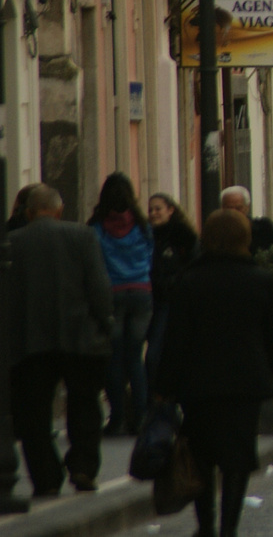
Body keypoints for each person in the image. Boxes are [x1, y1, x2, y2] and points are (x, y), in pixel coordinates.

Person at [155, 209, 273, 537]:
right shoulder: (259, 279)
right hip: (244, 384)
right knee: (238, 456)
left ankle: (206, 526)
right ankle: (229, 527)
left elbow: (175, 339)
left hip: (198, 385)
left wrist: (164, 385)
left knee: (201, 457)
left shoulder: (189, 280)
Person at [7, 185, 113, 496]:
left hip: (30, 340)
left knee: (33, 414)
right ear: (59, 210)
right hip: (79, 336)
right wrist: (105, 324)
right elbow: (98, 284)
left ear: (27, 213)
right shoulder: (81, 236)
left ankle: (46, 477)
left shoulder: (12, 242)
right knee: (84, 404)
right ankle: (83, 465)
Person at [88, 172, 154, 437]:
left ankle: (116, 419)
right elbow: (152, 254)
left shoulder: (97, 227)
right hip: (141, 292)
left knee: (114, 357)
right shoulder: (142, 225)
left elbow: (92, 261)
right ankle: (140, 417)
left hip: (111, 293)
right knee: (135, 357)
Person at [146, 192, 198, 382]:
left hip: (169, 302)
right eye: (150, 209)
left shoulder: (183, 237)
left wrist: (172, 284)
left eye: (158, 209)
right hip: (149, 300)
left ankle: (160, 403)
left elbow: (192, 268)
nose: (153, 213)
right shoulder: (145, 236)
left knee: (155, 356)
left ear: (170, 210)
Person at [219, 186, 273, 256]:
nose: (234, 213)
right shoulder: (216, 231)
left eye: (238, 208)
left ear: (247, 207)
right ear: (222, 208)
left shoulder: (263, 229)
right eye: (229, 208)